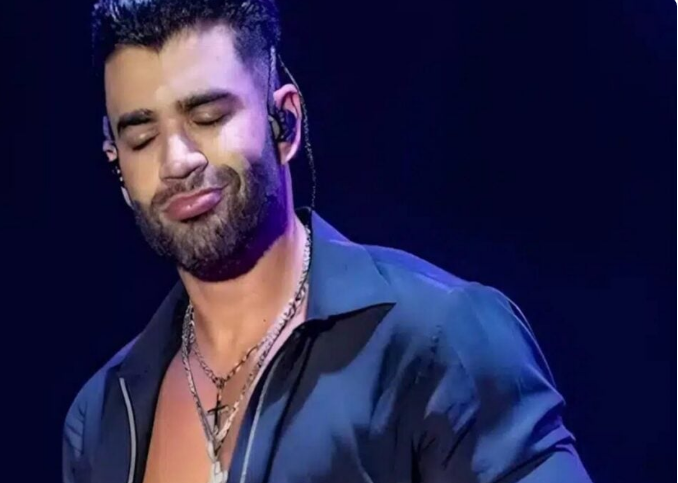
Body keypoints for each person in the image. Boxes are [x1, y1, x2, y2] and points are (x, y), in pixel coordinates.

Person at [62, 1, 593, 482]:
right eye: (142, 138)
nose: (176, 161)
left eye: (208, 117)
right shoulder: (102, 417)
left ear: (286, 123)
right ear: (117, 163)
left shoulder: (437, 341)